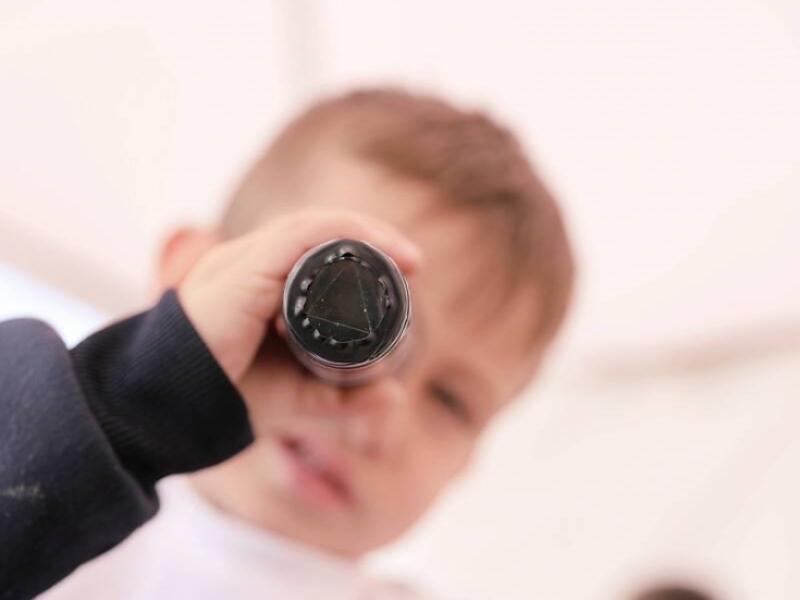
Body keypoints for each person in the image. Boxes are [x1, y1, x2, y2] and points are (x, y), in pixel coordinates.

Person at [34, 88, 575, 600]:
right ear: (189, 274)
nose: (372, 418)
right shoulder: (45, 506)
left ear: (469, 460)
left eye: (450, 401)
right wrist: (144, 390)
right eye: (339, 313)